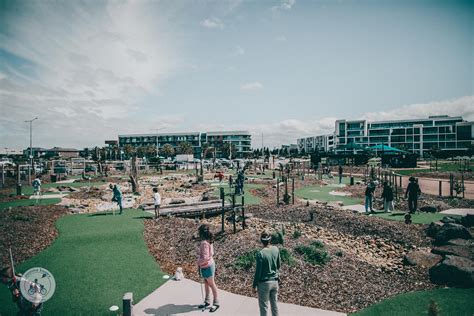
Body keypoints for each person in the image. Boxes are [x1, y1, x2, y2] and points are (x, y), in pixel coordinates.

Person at [253, 231, 281, 316]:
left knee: (264, 307)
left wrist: (254, 285)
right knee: (274, 306)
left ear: (261, 240)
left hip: (264, 284)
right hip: (275, 282)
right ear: (270, 239)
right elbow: (278, 265)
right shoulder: (276, 249)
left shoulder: (260, 254)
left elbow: (258, 272)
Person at [197, 224, 219, 313]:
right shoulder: (209, 240)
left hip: (207, 266)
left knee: (212, 284)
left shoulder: (204, 243)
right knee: (206, 283)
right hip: (209, 265)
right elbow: (211, 254)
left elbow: (205, 258)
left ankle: (216, 303)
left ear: (201, 233)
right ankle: (207, 301)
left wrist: (198, 262)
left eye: (199, 232)